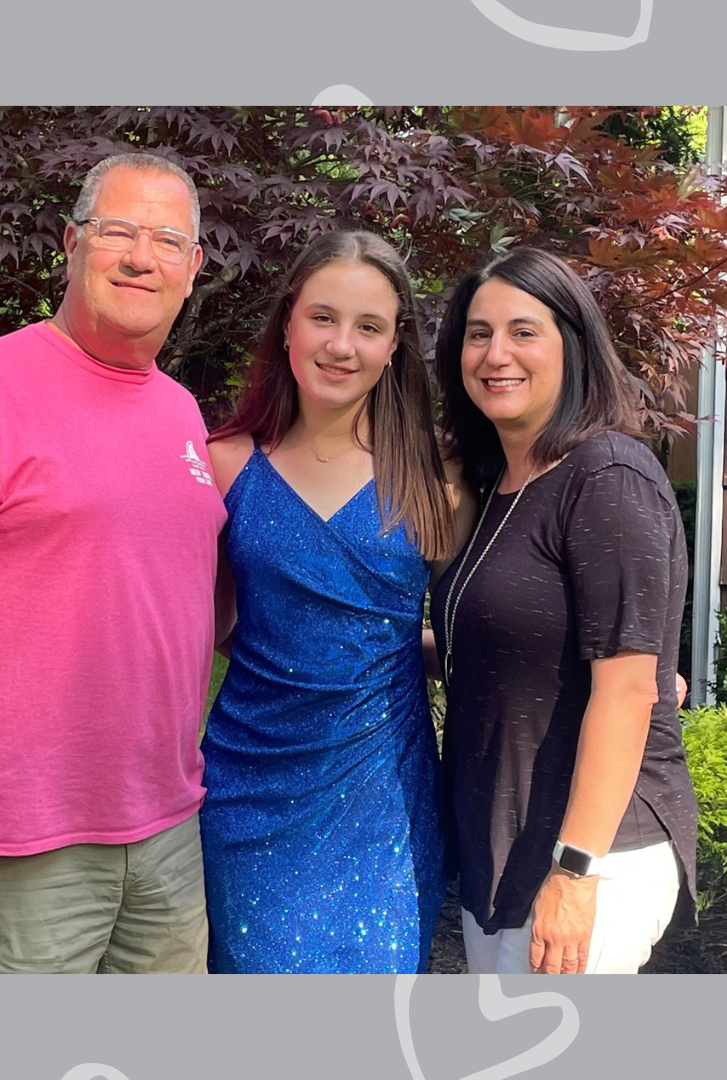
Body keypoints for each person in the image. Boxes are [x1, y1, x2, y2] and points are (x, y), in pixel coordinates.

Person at [0, 153, 225, 974]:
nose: (141, 258)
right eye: (117, 231)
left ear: (193, 266)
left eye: (168, 240)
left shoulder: (180, 412)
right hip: (21, 848)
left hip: (168, 832)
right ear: (71, 242)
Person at [199, 229, 466, 973]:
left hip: (384, 797)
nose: (341, 345)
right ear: (288, 321)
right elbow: (209, 624)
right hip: (248, 789)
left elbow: (482, 623)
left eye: (368, 326)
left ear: (394, 344)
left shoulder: (438, 475)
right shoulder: (224, 463)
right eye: (323, 317)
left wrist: (600, 670)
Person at [428, 247, 699, 975]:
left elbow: (628, 688)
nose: (496, 354)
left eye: (524, 331)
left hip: (589, 854)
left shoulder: (607, 476)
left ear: (573, 344)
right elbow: (494, 648)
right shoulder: (498, 484)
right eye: (478, 334)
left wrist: (577, 873)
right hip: (503, 842)